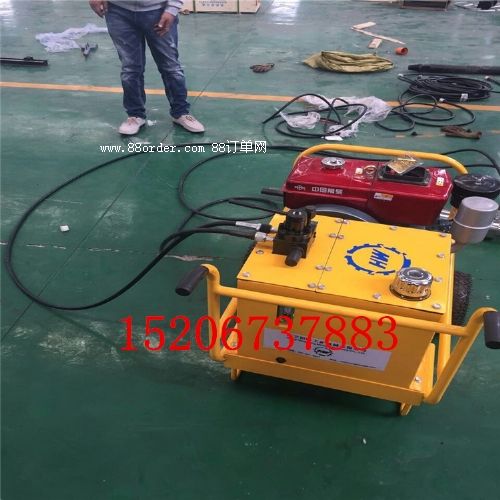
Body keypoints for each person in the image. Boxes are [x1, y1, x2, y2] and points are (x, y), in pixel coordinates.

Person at [89, 0, 204, 135]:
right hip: (118, 11)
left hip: (158, 10)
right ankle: (135, 115)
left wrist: (172, 9)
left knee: (170, 66)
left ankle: (181, 113)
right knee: (130, 68)